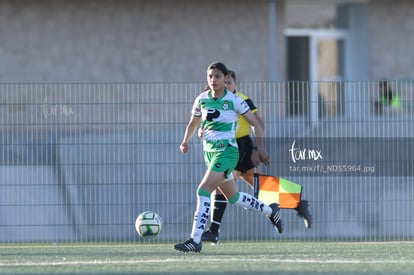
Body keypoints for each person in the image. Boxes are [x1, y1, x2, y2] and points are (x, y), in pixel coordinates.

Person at [174, 62, 282, 253]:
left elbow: (255, 123)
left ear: (225, 79)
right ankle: (270, 210)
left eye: (217, 76)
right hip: (210, 154)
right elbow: (193, 123)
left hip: (227, 153)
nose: (213, 80)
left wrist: (258, 147)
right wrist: (185, 141)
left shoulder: (234, 100)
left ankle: (195, 239)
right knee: (233, 197)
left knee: (203, 190)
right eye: (210, 76)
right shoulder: (201, 99)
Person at [201, 70, 313, 245]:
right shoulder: (214, 100)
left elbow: (258, 123)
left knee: (259, 186)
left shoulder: (240, 100)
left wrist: (257, 149)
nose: (227, 85)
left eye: (230, 82)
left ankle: (214, 231)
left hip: (241, 148)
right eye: (226, 82)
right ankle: (214, 231)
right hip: (224, 147)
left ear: (234, 84)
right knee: (244, 186)